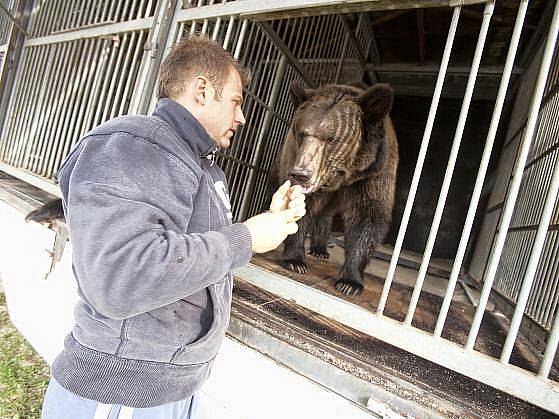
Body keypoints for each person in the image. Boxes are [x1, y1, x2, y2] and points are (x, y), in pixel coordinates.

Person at [41, 35, 305, 418]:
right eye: (236, 101)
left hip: (169, 384)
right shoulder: (135, 144)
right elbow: (120, 276)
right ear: (202, 90)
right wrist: (247, 238)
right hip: (121, 390)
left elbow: (193, 248)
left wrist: (271, 218)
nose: (242, 117)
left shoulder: (201, 163)